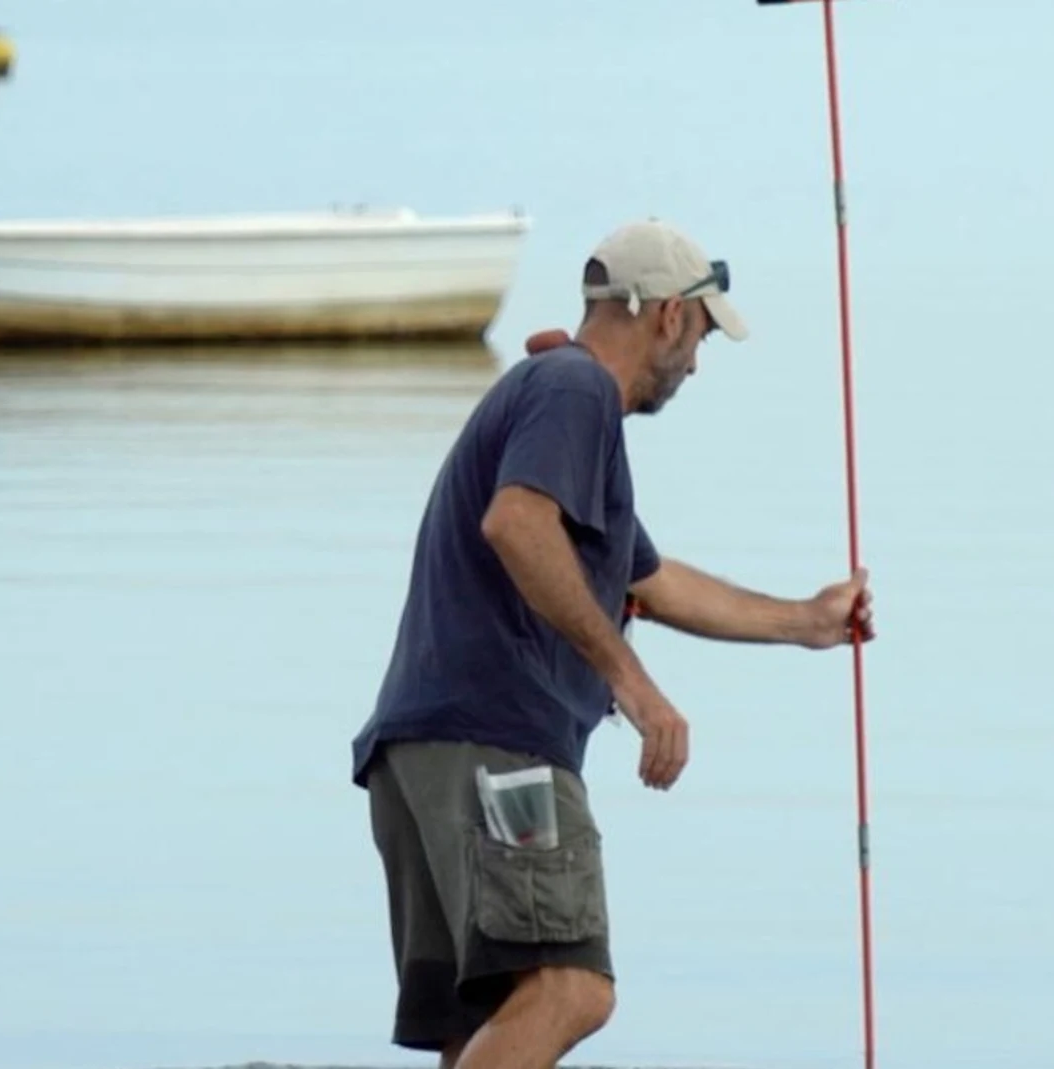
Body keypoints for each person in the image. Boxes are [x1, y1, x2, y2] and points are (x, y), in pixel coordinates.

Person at [349, 218, 876, 1069]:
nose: (697, 362)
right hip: (498, 752)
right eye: (701, 334)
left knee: (485, 1022)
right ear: (668, 315)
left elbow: (646, 580)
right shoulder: (574, 390)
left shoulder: (560, 406)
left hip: (421, 755)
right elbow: (516, 525)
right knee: (570, 986)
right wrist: (635, 687)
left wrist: (806, 622)